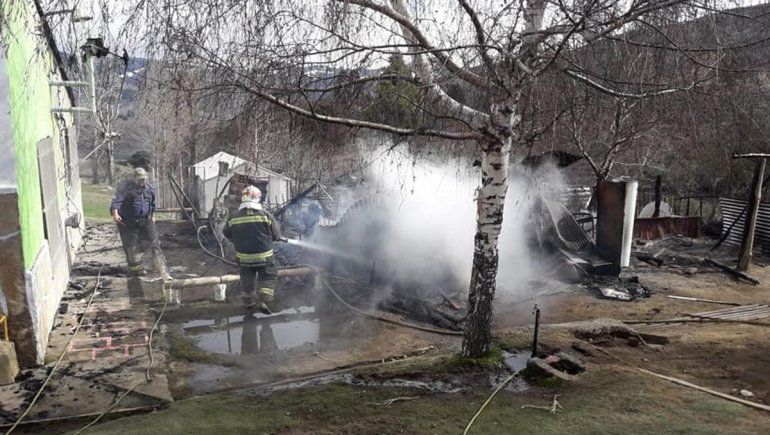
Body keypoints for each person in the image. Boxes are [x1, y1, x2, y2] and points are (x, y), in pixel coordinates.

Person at [223, 185, 284, 314]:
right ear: (258, 199)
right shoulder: (266, 215)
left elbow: (226, 233)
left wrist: (236, 240)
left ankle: (249, 304)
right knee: (268, 275)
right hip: (265, 257)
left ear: (243, 199)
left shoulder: (233, 217)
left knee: (247, 278)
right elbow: (277, 235)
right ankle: (264, 300)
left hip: (244, 259)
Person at [110, 167, 159, 276]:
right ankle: (136, 270)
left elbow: (152, 204)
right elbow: (116, 201)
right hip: (128, 222)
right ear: (134, 178)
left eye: (144, 179)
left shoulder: (149, 189)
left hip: (145, 219)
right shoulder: (125, 188)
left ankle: (136, 253)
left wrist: (152, 216)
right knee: (130, 245)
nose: (143, 181)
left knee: (151, 238)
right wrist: (116, 214)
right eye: (140, 179)